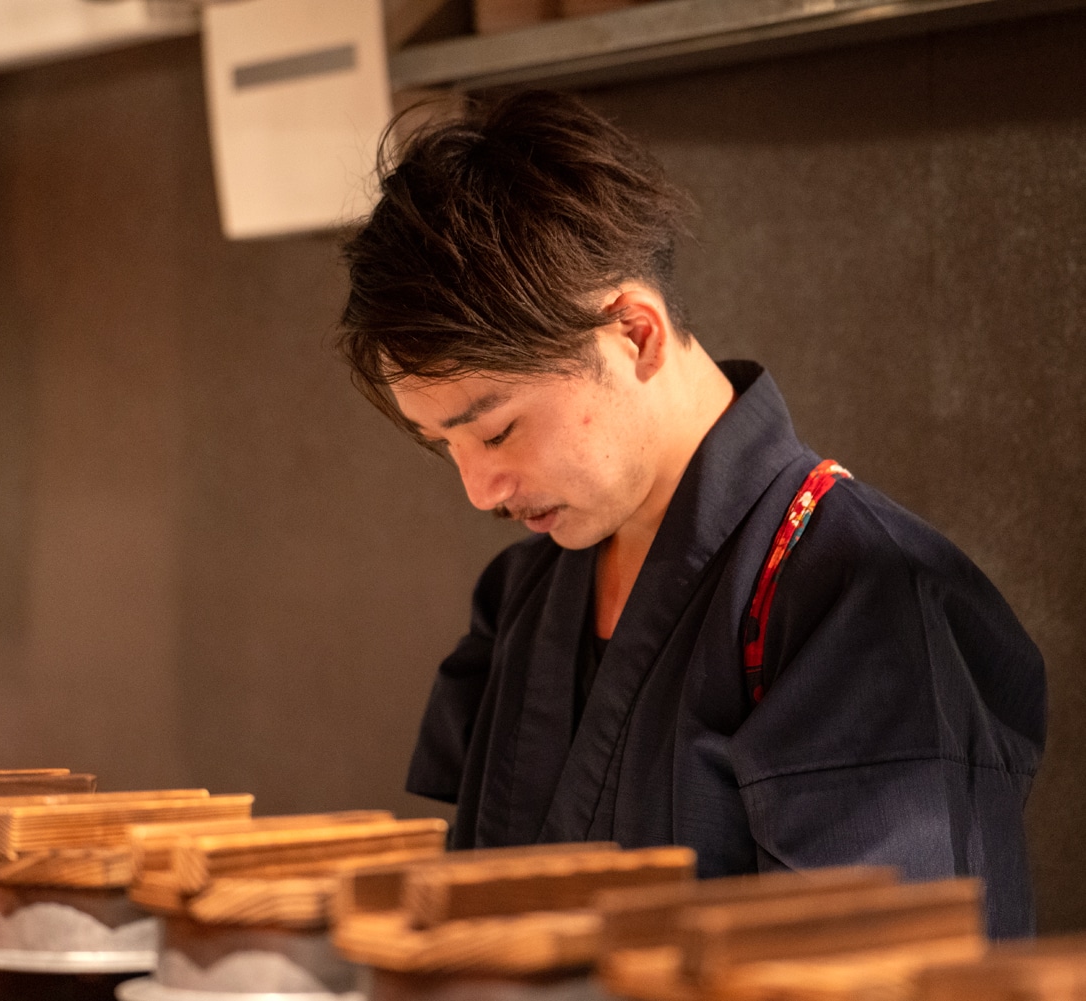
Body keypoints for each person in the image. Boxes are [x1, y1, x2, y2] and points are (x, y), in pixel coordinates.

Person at [336, 91, 1047, 938]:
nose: (480, 490)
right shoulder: (522, 594)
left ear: (635, 331)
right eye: (441, 444)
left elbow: (883, 974)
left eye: (497, 430)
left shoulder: (862, 597)